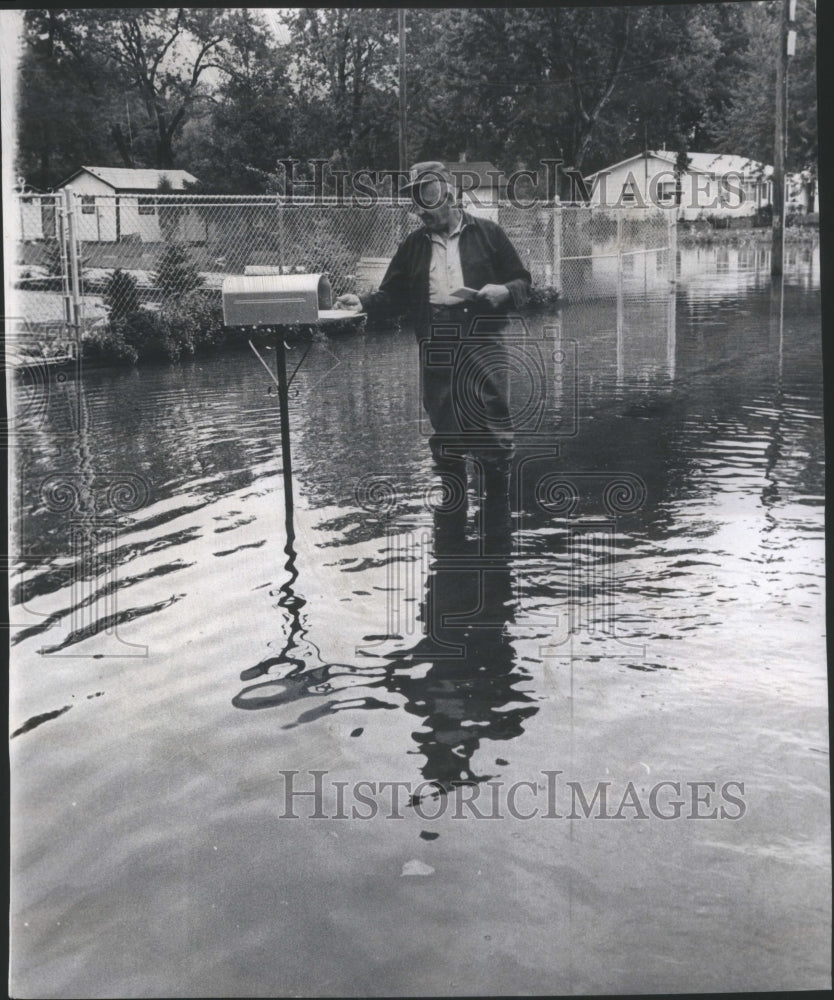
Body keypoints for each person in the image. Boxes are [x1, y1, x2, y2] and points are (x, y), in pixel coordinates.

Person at [336, 161, 532, 550]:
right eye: (415, 201)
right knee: (446, 434)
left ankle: (496, 534)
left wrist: (505, 292)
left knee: (492, 430)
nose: (420, 209)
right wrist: (361, 300)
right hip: (437, 343)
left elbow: (524, 280)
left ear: (450, 196)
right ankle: (452, 540)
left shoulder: (489, 234)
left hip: (481, 339)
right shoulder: (413, 245)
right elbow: (392, 294)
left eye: (426, 198)